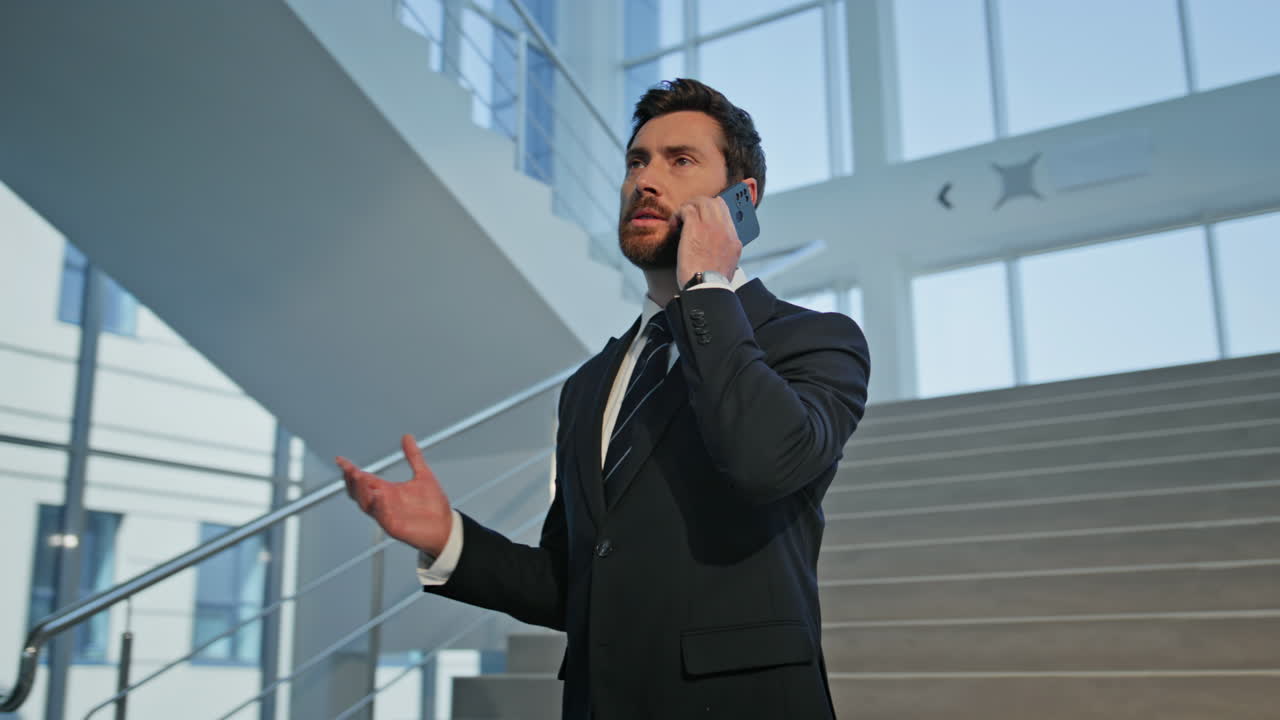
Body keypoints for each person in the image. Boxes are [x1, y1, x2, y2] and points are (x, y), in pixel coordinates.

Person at [338, 78, 870, 719]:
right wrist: (450, 539)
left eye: (680, 161)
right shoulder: (588, 385)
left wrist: (704, 284)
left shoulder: (815, 340)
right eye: (636, 162)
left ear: (740, 200)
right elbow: (577, 581)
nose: (646, 180)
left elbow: (764, 460)